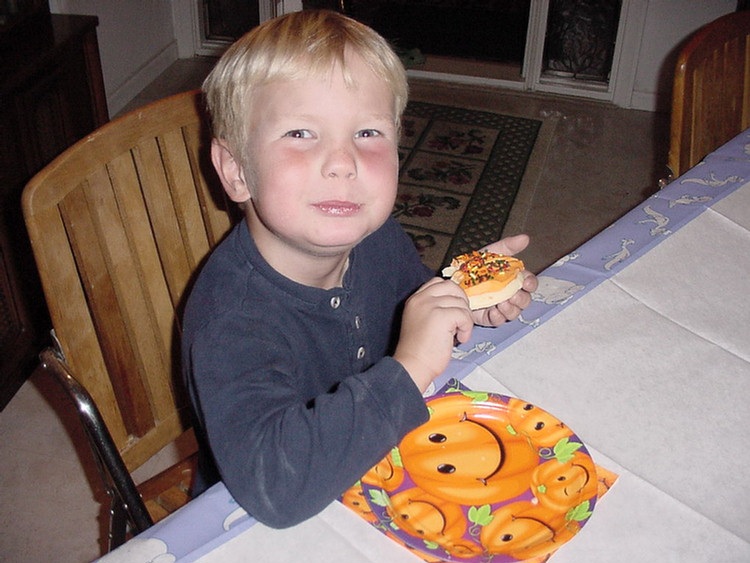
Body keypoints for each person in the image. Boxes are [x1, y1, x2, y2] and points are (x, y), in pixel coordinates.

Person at [182, 9, 538, 529]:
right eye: (302, 133)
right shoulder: (231, 320)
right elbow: (274, 489)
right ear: (237, 172)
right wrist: (411, 366)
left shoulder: (376, 239)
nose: (343, 162)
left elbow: (406, 309)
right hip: (272, 508)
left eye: (368, 133)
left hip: (379, 465)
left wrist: (462, 304)